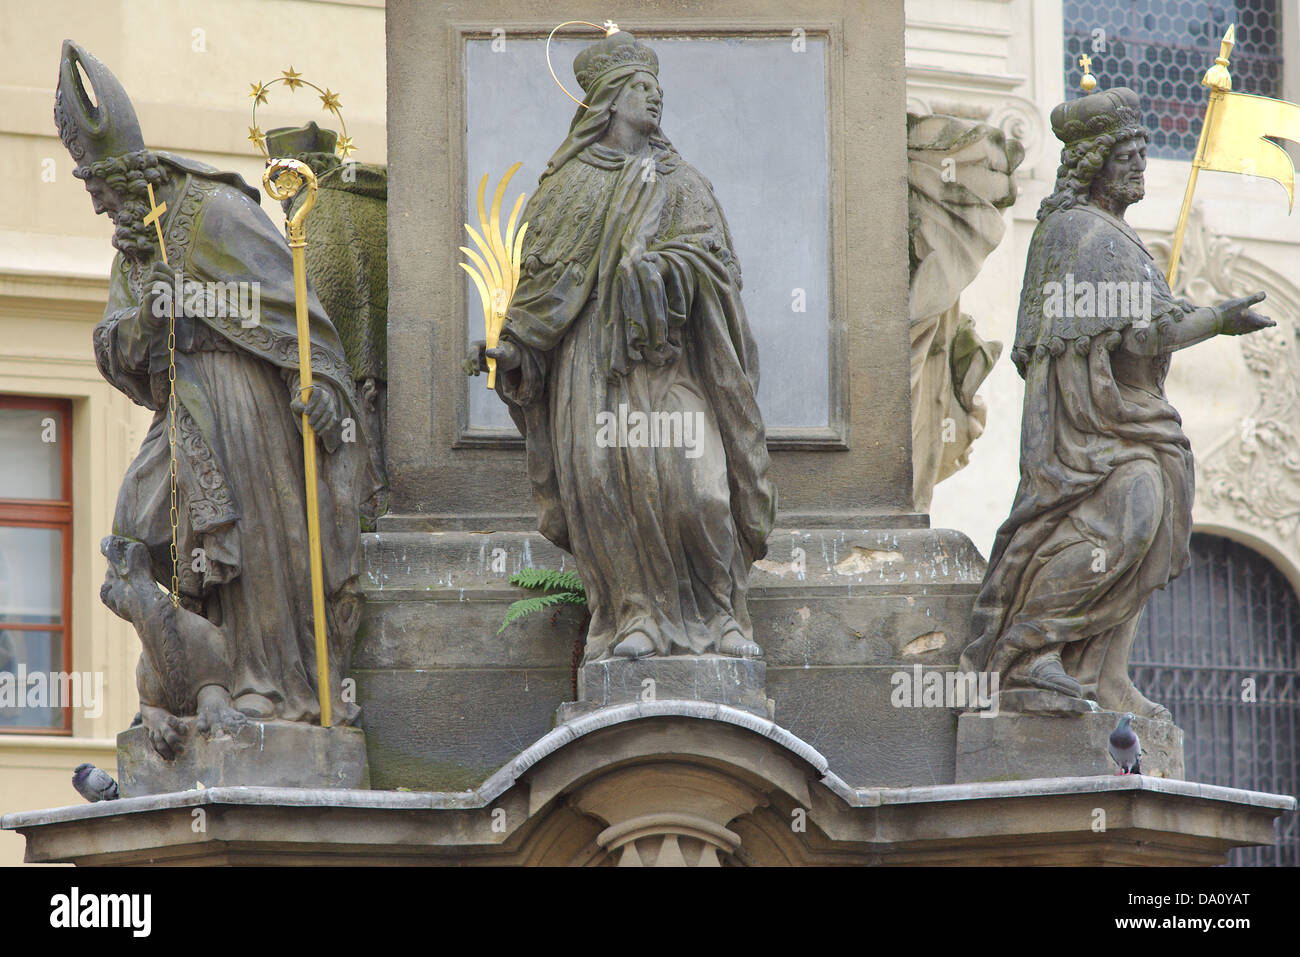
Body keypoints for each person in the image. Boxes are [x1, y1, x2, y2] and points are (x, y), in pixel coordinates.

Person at [55, 40, 380, 755]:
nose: (101, 206)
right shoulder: (133, 247)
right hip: (184, 411)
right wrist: (150, 316)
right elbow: (114, 347)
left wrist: (322, 387)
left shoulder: (216, 210)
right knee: (141, 528)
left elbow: (297, 317)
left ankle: (265, 684)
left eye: (103, 191)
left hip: (244, 402)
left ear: (134, 174)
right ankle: (192, 681)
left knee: (258, 545)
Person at [959, 87, 1273, 717]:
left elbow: (1146, 326)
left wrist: (1185, 314)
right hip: (1092, 429)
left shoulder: (1116, 237)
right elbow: (1142, 335)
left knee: (1148, 525)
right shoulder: (1081, 231)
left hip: (1130, 418)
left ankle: (1103, 671)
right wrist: (1213, 319)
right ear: (1093, 162)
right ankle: (1028, 653)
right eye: (1125, 155)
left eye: (1143, 154)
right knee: (1130, 515)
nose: (1139, 167)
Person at [465, 29, 776, 661]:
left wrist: (653, 270)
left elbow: (720, 275)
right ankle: (635, 615)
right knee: (606, 489)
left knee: (697, 487)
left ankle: (722, 614)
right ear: (606, 98)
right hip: (590, 367)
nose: (653, 96)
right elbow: (541, 287)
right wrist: (516, 349)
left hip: (670, 361)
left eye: (656, 88)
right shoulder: (565, 186)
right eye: (639, 87)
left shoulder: (683, 181)